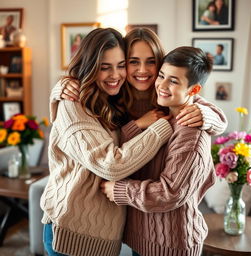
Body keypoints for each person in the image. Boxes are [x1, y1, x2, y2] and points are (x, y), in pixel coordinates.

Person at [55, 28, 227, 256]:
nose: (143, 70)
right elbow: (114, 145)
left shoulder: (170, 101)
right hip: (132, 230)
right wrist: (59, 88)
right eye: (133, 62)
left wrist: (211, 117)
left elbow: (192, 100)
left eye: (151, 62)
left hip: (164, 232)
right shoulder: (115, 95)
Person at [40, 28, 173, 256]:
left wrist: (210, 116)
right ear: (90, 66)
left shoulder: (112, 98)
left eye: (120, 65)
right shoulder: (73, 103)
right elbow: (111, 164)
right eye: (105, 67)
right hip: (71, 233)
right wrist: (162, 127)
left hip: (106, 237)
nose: (116, 75)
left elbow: (192, 97)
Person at [101, 46, 217, 256]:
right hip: (144, 239)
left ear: (193, 90)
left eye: (173, 81)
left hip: (171, 246)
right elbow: (128, 148)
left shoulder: (191, 135)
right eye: (162, 75)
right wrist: (138, 125)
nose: (161, 85)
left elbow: (169, 193)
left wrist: (119, 190)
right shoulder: (164, 113)